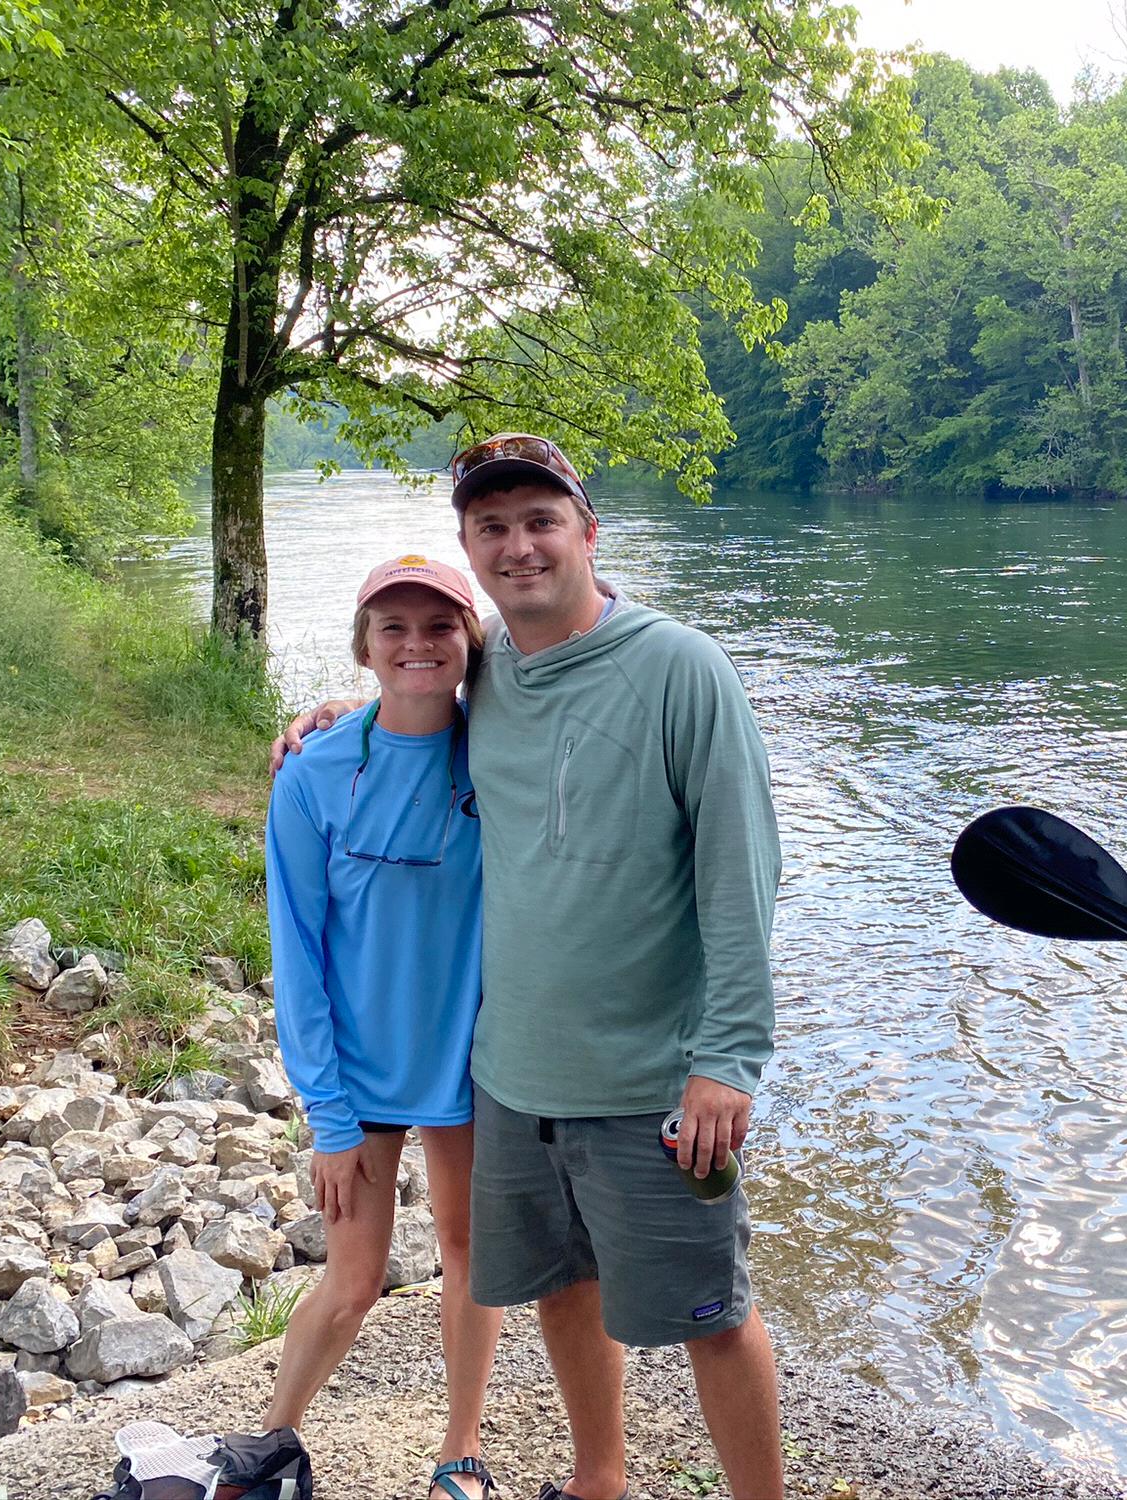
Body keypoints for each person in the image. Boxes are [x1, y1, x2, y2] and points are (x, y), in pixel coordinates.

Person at [274, 435, 785, 1500]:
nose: (519, 546)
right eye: (492, 528)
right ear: (471, 548)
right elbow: (408, 705)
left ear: (589, 535)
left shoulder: (679, 669)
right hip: (506, 1079)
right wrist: (328, 718)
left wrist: (726, 1060)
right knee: (561, 1289)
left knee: (712, 1314)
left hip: (651, 1082)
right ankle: (597, 1480)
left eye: (541, 521)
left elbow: (741, 877)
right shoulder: (488, 677)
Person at [262, 555, 505, 1500]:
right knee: (353, 1280)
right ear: (363, 646)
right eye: (392, 627)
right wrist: (326, 1115)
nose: (417, 644)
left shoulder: (502, 745)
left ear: (468, 641)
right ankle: (274, 1440)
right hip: (356, 1082)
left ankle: (462, 1449)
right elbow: (299, 952)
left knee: (469, 1257)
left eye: (439, 626)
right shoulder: (313, 772)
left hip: (470, 1065)